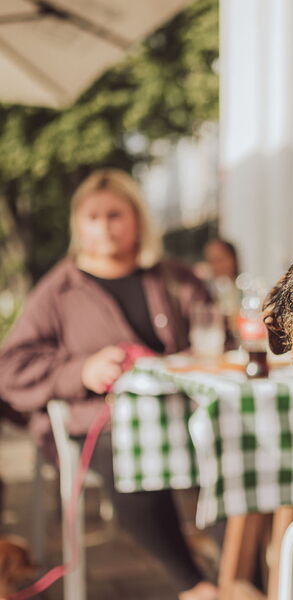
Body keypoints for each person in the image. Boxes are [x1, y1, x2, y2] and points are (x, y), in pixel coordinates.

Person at [0, 169, 217, 600]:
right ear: (77, 224)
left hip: (184, 414)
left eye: (114, 214)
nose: (103, 226)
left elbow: (215, 332)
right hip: (98, 425)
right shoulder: (59, 289)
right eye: (91, 216)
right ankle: (195, 586)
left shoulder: (174, 276)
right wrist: (79, 371)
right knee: (128, 459)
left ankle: (240, 572)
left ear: (137, 218)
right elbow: (11, 365)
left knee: (233, 450)